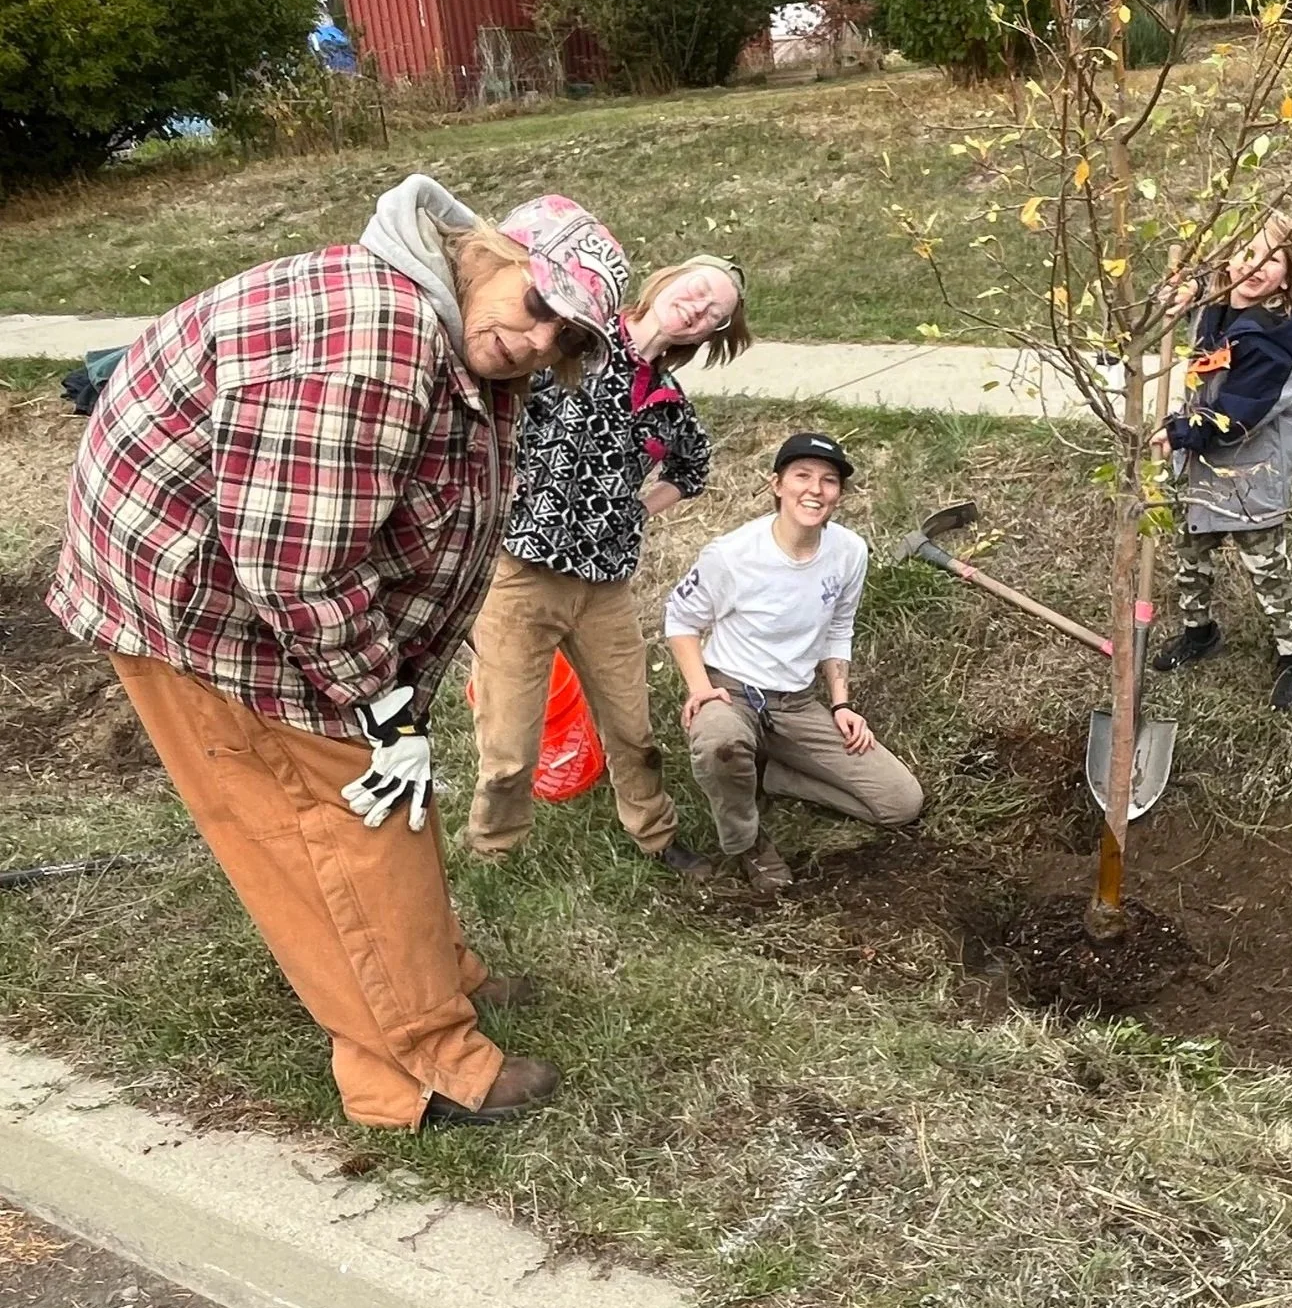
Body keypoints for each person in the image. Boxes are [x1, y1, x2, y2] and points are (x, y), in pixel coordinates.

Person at [47, 174, 626, 1130]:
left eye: (564, 339)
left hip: (283, 603)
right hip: (214, 613)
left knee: (389, 794)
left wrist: (394, 699)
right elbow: (294, 566)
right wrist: (379, 702)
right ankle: (416, 1065)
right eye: (538, 305)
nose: (537, 341)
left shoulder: (445, 330)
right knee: (335, 816)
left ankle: (434, 973)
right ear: (491, 250)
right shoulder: (377, 338)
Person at [466, 255, 750, 873]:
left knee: (633, 732)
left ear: (710, 333)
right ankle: (494, 851)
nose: (699, 307)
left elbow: (692, 469)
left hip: (606, 589)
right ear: (666, 281)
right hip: (521, 575)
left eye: (715, 313)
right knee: (509, 746)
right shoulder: (575, 342)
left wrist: (635, 508)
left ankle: (656, 835)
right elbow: (488, 397)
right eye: (697, 290)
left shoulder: (670, 404)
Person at [664, 432, 924, 895]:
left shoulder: (849, 551)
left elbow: (839, 626)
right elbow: (680, 619)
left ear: (839, 493)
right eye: (802, 475)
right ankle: (747, 842)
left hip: (795, 703)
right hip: (731, 690)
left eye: (829, 480)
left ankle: (772, 774)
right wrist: (700, 689)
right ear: (777, 485)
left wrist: (841, 704)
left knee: (900, 803)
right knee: (720, 743)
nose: (815, 490)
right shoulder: (732, 554)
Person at [1150, 216, 1292, 711]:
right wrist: (1186, 290)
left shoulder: (1270, 346)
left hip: (1249, 470)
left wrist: (1178, 431)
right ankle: (1199, 632)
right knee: (1189, 553)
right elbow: (1193, 293)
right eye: (1246, 250)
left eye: (1271, 259)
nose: (1253, 264)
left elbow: (1234, 416)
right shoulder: (1217, 302)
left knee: (1266, 565)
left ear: (1286, 279)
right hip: (1199, 463)